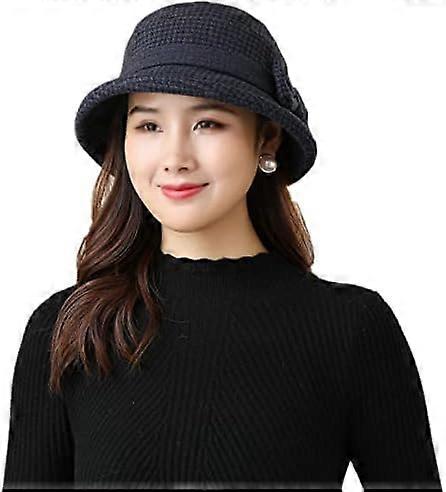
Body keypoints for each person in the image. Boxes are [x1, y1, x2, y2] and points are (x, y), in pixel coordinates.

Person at [2, 1, 442, 490]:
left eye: (207, 123)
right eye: (149, 125)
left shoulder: (352, 329)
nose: (175, 157)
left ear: (267, 140)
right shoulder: (66, 330)